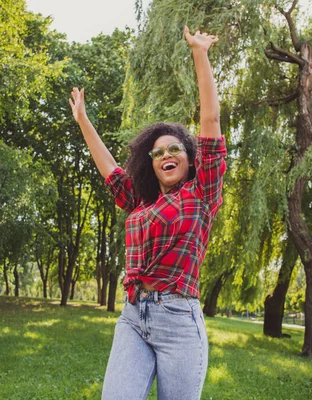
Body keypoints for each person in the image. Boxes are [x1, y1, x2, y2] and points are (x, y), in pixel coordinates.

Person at [69, 26, 226, 400]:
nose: (166, 155)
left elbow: (211, 124)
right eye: (157, 153)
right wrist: (84, 122)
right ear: (150, 163)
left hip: (179, 320)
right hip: (133, 316)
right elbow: (110, 170)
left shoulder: (201, 193)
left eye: (175, 149)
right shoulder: (142, 200)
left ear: (190, 158)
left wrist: (199, 54)